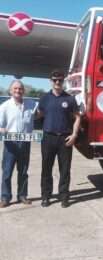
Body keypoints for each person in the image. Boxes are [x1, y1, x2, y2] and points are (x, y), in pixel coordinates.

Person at [38, 70, 81, 208]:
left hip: (65, 139)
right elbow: (39, 115)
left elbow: (78, 117)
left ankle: (64, 196)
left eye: (60, 80)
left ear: (63, 82)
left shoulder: (70, 99)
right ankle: (46, 196)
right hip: (48, 138)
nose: (57, 82)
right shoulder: (44, 98)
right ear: (50, 81)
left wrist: (74, 135)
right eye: (55, 80)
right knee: (46, 169)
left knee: (65, 169)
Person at [0, 80, 37, 208]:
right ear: (10, 91)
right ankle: (5, 197)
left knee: (23, 171)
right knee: (7, 172)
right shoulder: (4, 106)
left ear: (23, 91)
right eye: (15, 89)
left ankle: (22, 195)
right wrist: (2, 129)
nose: (18, 91)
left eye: (20, 89)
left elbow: (41, 113)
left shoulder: (32, 104)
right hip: (10, 143)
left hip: (25, 142)